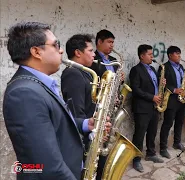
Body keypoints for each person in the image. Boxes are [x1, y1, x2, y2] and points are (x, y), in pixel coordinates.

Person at [2, 22, 111, 180]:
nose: (61, 50)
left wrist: (86, 124)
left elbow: (56, 123)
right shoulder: (24, 93)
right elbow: (48, 167)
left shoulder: (35, 85)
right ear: (36, 52)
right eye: (56, 45)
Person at [61, 34, 107, 180]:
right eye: (91, 50)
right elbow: (77, 113)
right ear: (78, 52)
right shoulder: (73, 74)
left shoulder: (85, 73)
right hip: (87, 141)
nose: (94, 54)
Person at [129, 44, 165, 173]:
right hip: (142, 107)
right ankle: (136, 159)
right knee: (139, 134)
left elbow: (154, 85)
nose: (152, 57)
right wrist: (152, 97)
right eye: (150, 54)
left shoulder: (153, 69)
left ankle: (151, 153)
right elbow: (136, 89)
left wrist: (161, 83)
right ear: (142, 56)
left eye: (152, 54)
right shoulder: (136, 70)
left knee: (152, 131)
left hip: (154, 107)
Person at [159, 46, 185, 159]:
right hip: (170, 100)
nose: (179, 56)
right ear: (170, 55)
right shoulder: (164, 67)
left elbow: (183, 79)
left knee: (180, 122)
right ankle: (163, 148)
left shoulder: (181, 66)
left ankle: (177, 142)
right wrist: (175, 90)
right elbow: (161, 84)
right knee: (167, 124)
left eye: (180, 54)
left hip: (182, 100)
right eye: (177, 54)